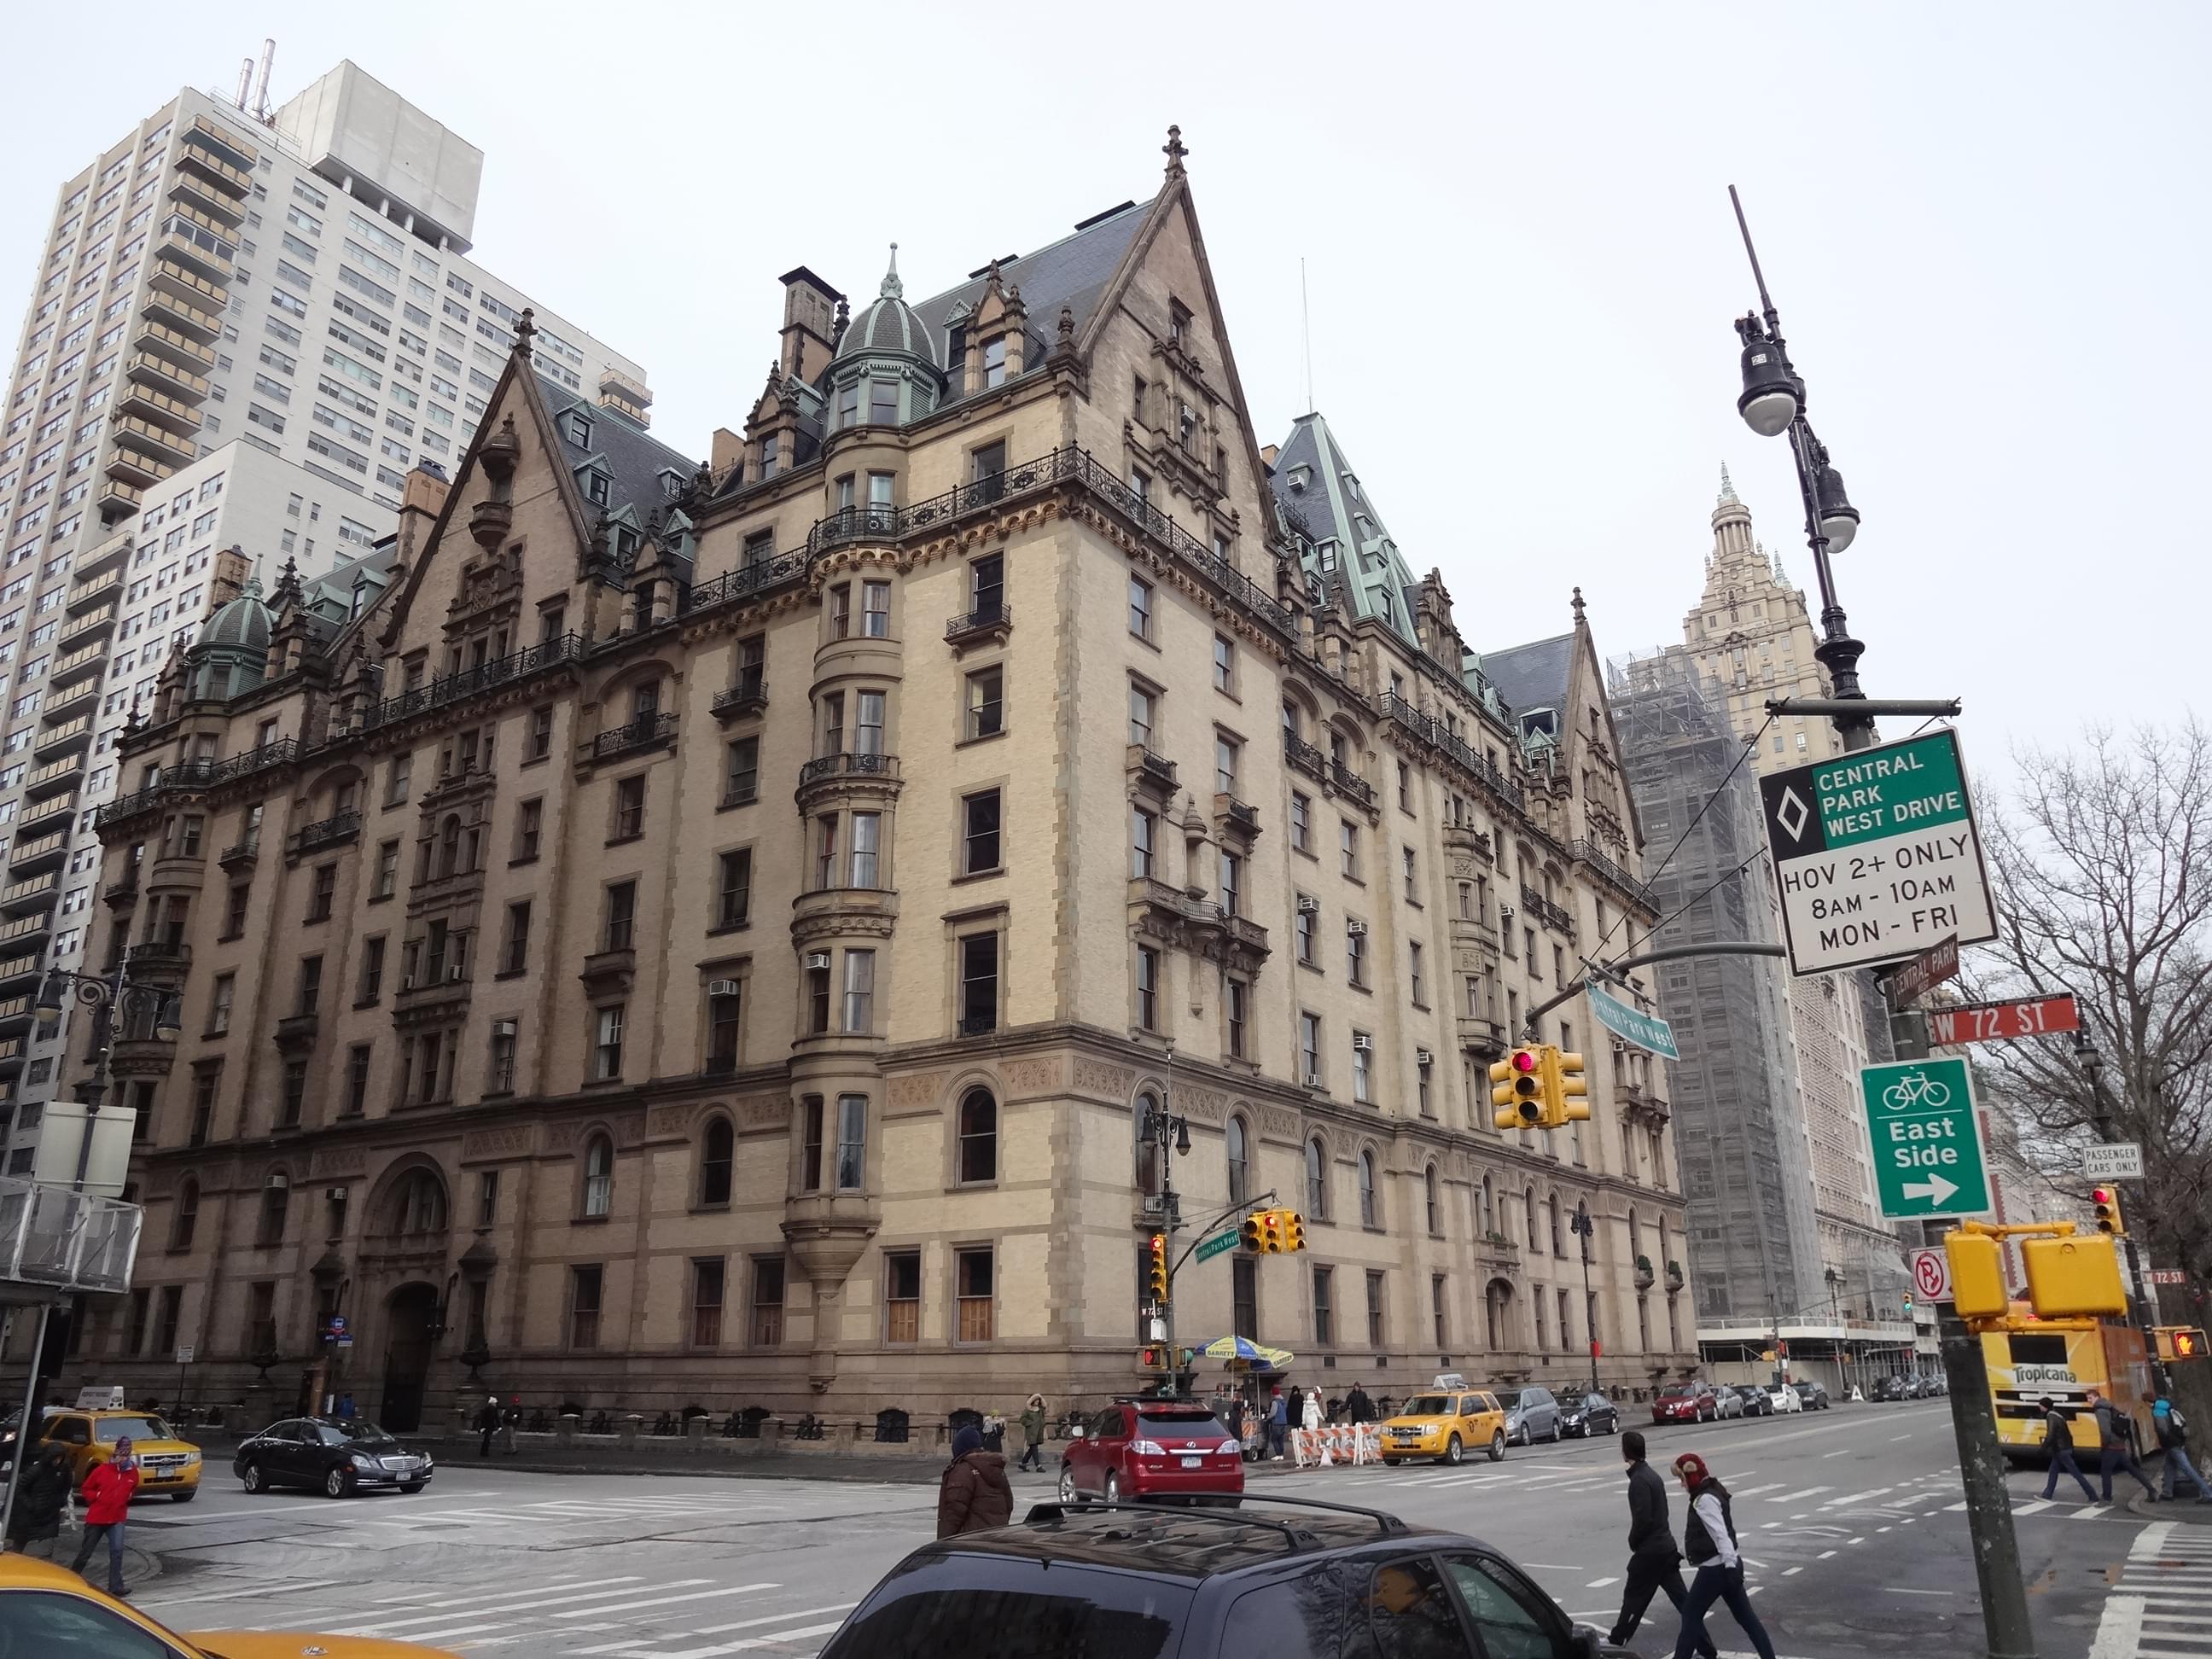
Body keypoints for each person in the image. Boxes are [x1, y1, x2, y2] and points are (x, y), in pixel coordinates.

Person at [1610, 1432, 1718, 1657]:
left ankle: (1616, 1642)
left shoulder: (1639, 1480)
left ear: (1625, 1451)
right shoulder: (1651, 1475)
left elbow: (1643, 1519)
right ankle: (1706, 1647)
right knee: (1685, 1604)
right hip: (1665, 1549)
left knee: (1634, 1600)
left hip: (1651, 1553)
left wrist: (1633, 1541)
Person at [1669, 1452, 1778, 1659]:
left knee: (1691, 1615)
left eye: (1682, 1479)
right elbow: (1703, 1535)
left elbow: (1720, 1535)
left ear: (1691, 1477)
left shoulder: (1704, 1500)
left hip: (1715, 1569)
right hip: (1727, 1565)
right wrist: (1680, 1554)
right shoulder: (1711, 1491)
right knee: (1747, 1619)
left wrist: (1729, 1566)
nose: (1681, 1485)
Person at [1343, 1560, 1469, 1659]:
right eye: (1378, 1589)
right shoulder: (1428, 1617)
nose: (1380, 1595)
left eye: (1383, 1587)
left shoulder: (1422, 1630)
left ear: (1409, 1586)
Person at [69, 1438, 140, 1597]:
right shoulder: (102, 1470)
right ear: (116, 1453)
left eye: (126, 1456)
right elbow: (86, 1488)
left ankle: (116, 1585)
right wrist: (97, 1496)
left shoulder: (132, 1472)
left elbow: (133, 1487)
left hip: (117, 1517)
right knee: (86, 1551)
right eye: (121, 1455)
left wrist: (127, 1496)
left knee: (117, 1551)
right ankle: (71, 1578)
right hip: (97, 1518)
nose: (123, 1459)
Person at [936, 1424, 1013, 1538]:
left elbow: (955, 1509)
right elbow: (1009, 1503)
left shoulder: (963, 1470)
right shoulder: (994, 1468)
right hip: (996, 1536)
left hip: (969, 1539)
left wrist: (944, 1539)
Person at [5, 1439, 73, 1557]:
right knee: (20, 1544)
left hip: (50, 1515)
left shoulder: (63, 1470)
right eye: (56, 1458)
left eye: (60, 1458)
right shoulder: (36, 1470)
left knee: (46, 1546)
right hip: (31, 1516)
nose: (58, 1461)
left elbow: (67, 1485)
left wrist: (61, 1500)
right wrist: (30, 1504)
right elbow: (19, 1488)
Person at [2088, 1389, 2158, 1505]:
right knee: (2132, 1469)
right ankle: (2152, 1490)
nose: (2089, 1401)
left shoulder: (2100, 1410)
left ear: (2097, 1397)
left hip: (2111, 1446)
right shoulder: (2110, 1406)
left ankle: (2107, 1498)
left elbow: (2105, 1430)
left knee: (2106, 1472)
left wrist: (2104, 1444)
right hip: (2119, 1443)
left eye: (2090, 1398)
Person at [2151, 1399, 2212, 1503]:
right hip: (2177, 1443)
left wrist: (2167, 1443)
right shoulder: (2171, 1410)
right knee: (2169, 1467)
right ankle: (2167, 1492)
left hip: (2172, 1445)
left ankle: (2208, 1493)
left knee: (2187, 1469)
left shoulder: (2158, 1412)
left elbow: (2163, 1431)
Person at [2039, 1396, 2097, 1501]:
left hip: (2061, 1450)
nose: (2039, 1408)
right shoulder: (2058, 1415)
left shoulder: (2051, 1417)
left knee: (2076, 1474)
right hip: (2062, 1448)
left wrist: (2043, 1449)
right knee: (2053, 1472)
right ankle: (2047, 1494)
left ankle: (2092, 1495)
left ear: (2044, 1406)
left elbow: (2051, 1435)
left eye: (2040, 1406)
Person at [1016, 1394, 1047, 1474]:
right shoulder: (1028, 1410)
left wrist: (1040, 1396)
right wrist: (1031, 1423)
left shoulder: (1040, 1410)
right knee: (1034, 1448)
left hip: (1039, 1432)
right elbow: (1022, 1419)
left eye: (1038, 1400)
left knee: (1032, 1450)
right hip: (1031, 1432)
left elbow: (1045, 1406)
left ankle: (1023, 1463)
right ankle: (1038, 1466)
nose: (1037, 1402)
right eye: (1035, 1400)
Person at [475, 1394, 501, 1458]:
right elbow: (495, 1418)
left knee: (487, 1439)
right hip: (489, 1426)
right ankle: (484, 1452)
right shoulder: (492, 1410)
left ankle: (484, 1451)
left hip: (488, 1426)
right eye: (495, 1403)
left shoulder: (488, 1409)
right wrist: (499, 1425)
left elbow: (484, 1418)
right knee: (487, 1439)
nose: (495, 1404)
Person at [1267, 1386, 1288, 1460]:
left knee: (1274, 1439)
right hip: (1283, 1422)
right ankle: (1281, 1454)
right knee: (1281, 1439)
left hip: (1277, 1423)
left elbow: (1273, 1413)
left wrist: (1268, 1417)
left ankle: (1278, 1454)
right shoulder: (1283, 1402)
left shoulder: (1275, 1402)